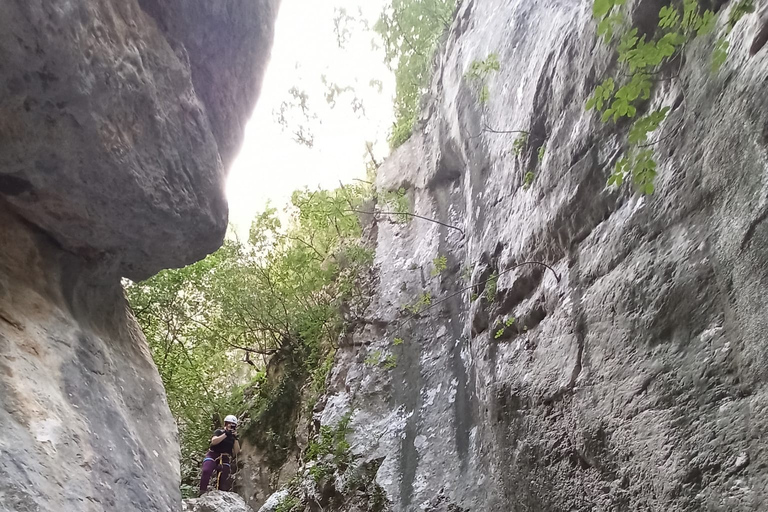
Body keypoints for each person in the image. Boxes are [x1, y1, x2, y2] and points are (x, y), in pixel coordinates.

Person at [199, 415, 241, 495]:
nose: (230, 426)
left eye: (233, 424)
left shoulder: (233, 437)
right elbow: (214, 441)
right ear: (225, 424)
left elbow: (236, 452)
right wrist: (225, 434)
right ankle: (202, 491)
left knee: (224, 477)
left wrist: (235, 439)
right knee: (206, 470)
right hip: (213, 454)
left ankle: (220, 495)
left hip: (225, 457)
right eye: (229, 423)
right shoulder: (219, 432)